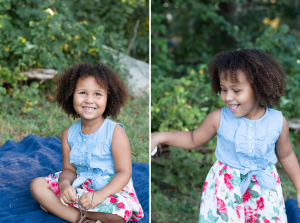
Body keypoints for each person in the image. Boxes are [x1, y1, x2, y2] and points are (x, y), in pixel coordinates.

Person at [151, 49, 300, 222]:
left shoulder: (277, 121)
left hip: (264, 192)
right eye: (223, 89)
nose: (228, 97)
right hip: (226, 189)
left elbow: (287, 155)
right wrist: (160, 136)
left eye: (236, 90)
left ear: (259, 88)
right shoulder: (218, 118)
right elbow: (193, 138)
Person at [30, 63, 144, 223]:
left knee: (119, 213)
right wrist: (64, 186)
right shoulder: (68, 134)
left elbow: (124, 173)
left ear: (108, 98)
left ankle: (60, 208)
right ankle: (80, 219)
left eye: (97, 94)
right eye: (83, 93)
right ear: (71, 95)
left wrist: (99, 195)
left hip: (109, 190)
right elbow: (69, 170)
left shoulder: (115, 132)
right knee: (37, 185)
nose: (89, 100)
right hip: (80, 184)